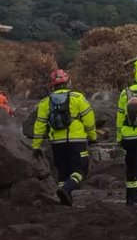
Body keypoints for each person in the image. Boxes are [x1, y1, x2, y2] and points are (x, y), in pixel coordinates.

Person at [31, 69, 97, 206]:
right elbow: (89, 119)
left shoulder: (45, 102)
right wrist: (92, 137)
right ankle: (66, 189)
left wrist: (36, 146)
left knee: (62, 172)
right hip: (76, 141)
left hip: (56, 142)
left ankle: (65, 201)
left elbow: (39, 126)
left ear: (52, 85)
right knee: (81, 169)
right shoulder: (77, 98)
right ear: (68, 82)